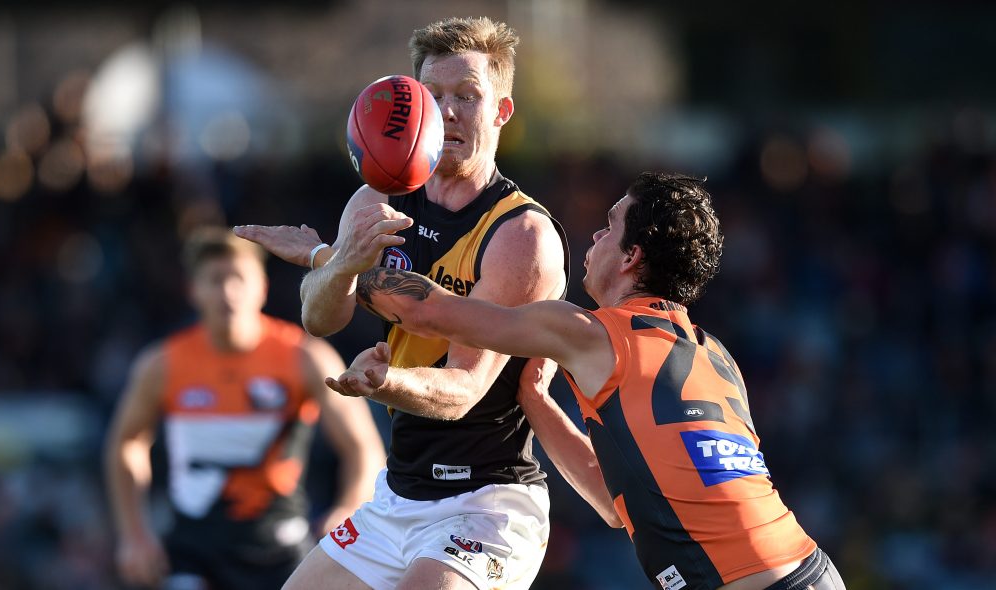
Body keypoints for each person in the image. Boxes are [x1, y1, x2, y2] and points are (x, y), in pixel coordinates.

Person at [235, 15, 618, 590]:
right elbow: (320, 316)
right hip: (398, 496)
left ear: (501, 111)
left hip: (486, 501)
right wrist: (338, 262)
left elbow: (462, 391)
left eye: (468, 95)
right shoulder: (377, 198)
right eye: (434, 95)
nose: (450, 111)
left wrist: (382, 382)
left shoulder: (520, 235)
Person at [327, 172, 847, 590]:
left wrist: (333, 260)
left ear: (631, 256)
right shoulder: (715, 354)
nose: (595, 236)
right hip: (807, 568)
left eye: (609, 226)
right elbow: (613, 501)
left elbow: (433, 313)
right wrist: (535, 400)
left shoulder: (594, 333)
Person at [105, 227, 385, 590]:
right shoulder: (162, 364)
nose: (228, 292)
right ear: (193, 290)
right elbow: (126, 443)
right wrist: (134, 534)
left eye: (238, 278)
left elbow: (363, 448)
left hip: (280, 549)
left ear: (261, 287)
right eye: (215, 280)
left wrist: (348, 509)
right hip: (192, 552)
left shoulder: (304, 358)